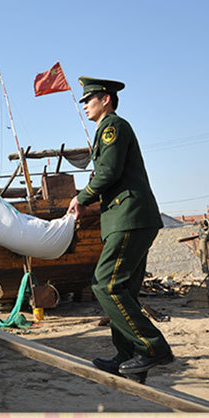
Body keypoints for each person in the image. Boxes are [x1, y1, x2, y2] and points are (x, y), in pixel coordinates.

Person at [66, 76, 173, 377]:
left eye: (89, 99)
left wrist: (82, 198)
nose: (84, 105)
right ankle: (129, 358)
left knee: (106, 284)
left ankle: (153, 347)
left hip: (129, 216)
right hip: (130, 217)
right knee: (124, 289)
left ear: (106, 99)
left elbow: (109, 172)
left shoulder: (112, 126)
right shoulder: (107, 129)